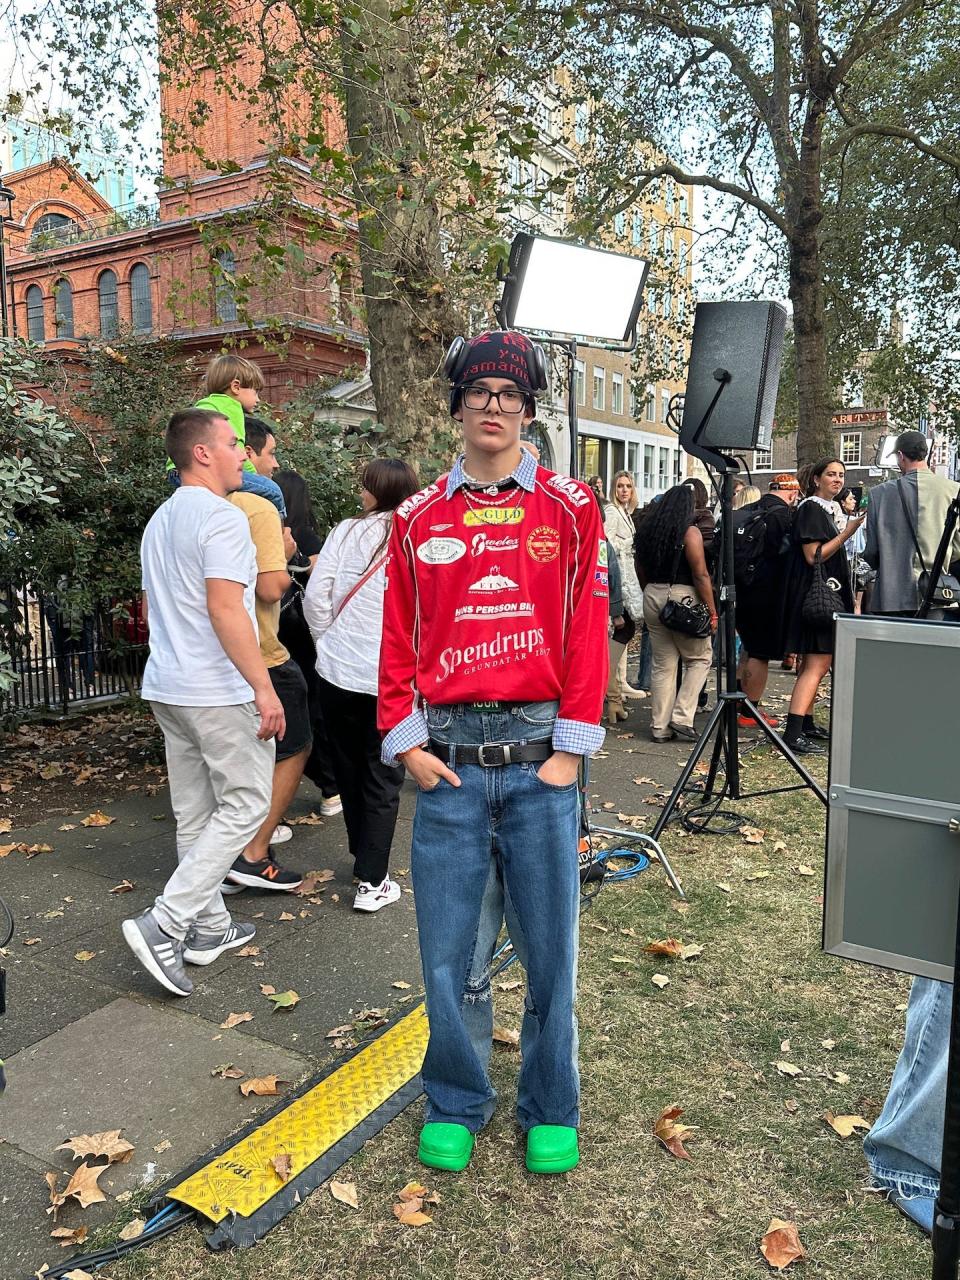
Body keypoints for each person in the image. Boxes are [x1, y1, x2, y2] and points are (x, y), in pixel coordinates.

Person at [378, 329, 608, 1176]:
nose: (494, 407)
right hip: (448, 767)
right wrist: (407, 746)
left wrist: (571, 753)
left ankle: (551, 1105)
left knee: (552, 956)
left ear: (528, 409)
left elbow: (589, 631)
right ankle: (457, 1101)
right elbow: (396, 639)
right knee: (449, 958)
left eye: (510, 395)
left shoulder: (573, 508)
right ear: (459, 404)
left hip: (542, 760)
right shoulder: (415, 519)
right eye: (480, 392)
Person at [123, 408, 284, 996]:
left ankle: (208, 927)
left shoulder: (159, 521)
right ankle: (165, 922)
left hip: (169, 684)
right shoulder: (221, 519)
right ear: (202, 453)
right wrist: (263, 688)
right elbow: (225, 610)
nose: (243, 454)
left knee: (196, 814)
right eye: (234, 444)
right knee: (245, 805)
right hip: (217, 690)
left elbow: (150, 611)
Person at [302, 459, 418, 912]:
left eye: (366, 486)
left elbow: (316, 597)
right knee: (383, 772)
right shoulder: (419, 533)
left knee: (349, 768)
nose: (361, 493)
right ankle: (373, 878)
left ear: (379, 490)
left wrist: (327, 641)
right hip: (391, 676)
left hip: (337, 672)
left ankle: (363, 858)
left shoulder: (346, 531)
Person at [223, 479, 308, 891]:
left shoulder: (173, 514)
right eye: (268, 453)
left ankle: (218, 862)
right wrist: (286, 553)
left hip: (206, 663)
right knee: (293, 746)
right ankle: (254, 853)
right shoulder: (257, 508)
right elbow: (271, 587)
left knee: (225, 766)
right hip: (263, 653)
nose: (274, 465)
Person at [780, 457, 865, 755]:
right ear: (816, 479)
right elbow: (813, 555)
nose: (838, 479)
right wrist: (846, 534)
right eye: (831, 474)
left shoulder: (824, 510)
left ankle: (805, 722)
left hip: (818, 595)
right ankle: (793, 732)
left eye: (841, 475)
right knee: (818, 662)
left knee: (812, 662)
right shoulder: (813, 509)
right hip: (817, 597)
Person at [274, 470, 342, 825]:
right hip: (302, 635)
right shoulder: (307, 538)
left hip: (274, 634)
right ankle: (330, 787)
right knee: (311, 711)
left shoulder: (269, 534)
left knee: (286, 714)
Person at [635, 484, 717, 742]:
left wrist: (649, 592)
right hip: (682, 594)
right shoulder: (690, 532)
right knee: (699, 658)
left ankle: (660, 726)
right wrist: (712, 611)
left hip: (652, 594)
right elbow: (700, 574)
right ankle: (682, 716)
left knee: (663, 665)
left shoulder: (647, 530)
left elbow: (639, 567)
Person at [164, 355, 286, 516]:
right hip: (194, 469)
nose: (258, 399)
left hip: (179, 470)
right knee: (273, 490)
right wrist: (254, 474)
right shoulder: (231, 408)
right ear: (236, 387)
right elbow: (238, 451)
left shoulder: (207, 404)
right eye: (255, 391)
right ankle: (280, 526)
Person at [863, 430, 960, 616]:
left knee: (892, 645)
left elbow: (872, 551)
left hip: (890, 595)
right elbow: (957, 547)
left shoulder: (878, 494)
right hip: (937, 593)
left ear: (900, 456)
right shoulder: (954, 490)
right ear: (927, 454)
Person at [733, 474, 799, 728]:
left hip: (741, 589)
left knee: (747, 651)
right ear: (792, 493)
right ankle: (750, 713)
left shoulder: (747, 510)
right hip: (768, 593)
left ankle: (739, 702)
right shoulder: (784, 515)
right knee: (759, 655)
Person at [604, 471, 646, 700]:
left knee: (626, 629)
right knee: (623, 628)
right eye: (620, 486)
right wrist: (631, 542)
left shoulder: (626, 513)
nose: (624, 490)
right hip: (619, 576)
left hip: (627, 574)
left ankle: (618, 682)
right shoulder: (612, 511)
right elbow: (606, 542)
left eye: (628, 486)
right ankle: (612, 684)